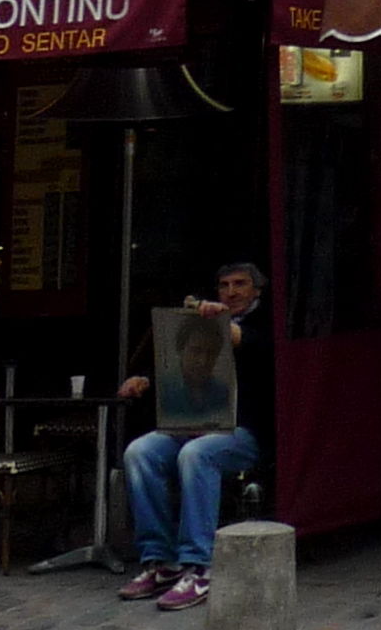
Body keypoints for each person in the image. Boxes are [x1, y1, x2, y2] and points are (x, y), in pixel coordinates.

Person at [116, 260, 273, 611]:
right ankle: (160, 561)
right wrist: (146, 380)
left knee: (196, 454)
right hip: (193, 424)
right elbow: (184, 369)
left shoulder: (267, 321)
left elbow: (251, 344)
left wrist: (218, 322)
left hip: (243, 431)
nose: (231, 292)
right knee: (139, 452)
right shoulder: (210, 322)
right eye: (224, 285)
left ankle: (199, 565)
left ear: (257, 290)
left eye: (240, 284)